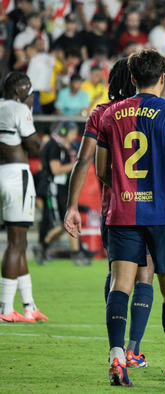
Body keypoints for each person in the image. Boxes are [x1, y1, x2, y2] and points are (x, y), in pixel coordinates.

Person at [95, 49, 165, 385]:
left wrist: (127, 189)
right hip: (163, 213)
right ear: (163, 78)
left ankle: (117, 358)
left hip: (123, 212)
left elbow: (101, 169)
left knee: (119, 285)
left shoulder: (110, 114)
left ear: (133, 78)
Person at [0, 72, 47, 323]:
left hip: (1, 173)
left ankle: (29, 305)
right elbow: (33, 147)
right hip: (16, 175)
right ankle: (6, 308)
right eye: (28, 92)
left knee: (19, 243)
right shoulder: (18, 108)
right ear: (19, 92)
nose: (31, 97)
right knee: (16, 243)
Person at [36, 122, 94, 266]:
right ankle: (76, 254)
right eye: (72, 132)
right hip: (55, 188)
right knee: (67, 222)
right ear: (64, 132)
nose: (75, 136)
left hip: (61, 188)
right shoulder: (54, 146)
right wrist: (77, 164)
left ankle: (42, 247)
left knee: (65, 223)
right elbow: (55, 169)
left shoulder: (61, 146)